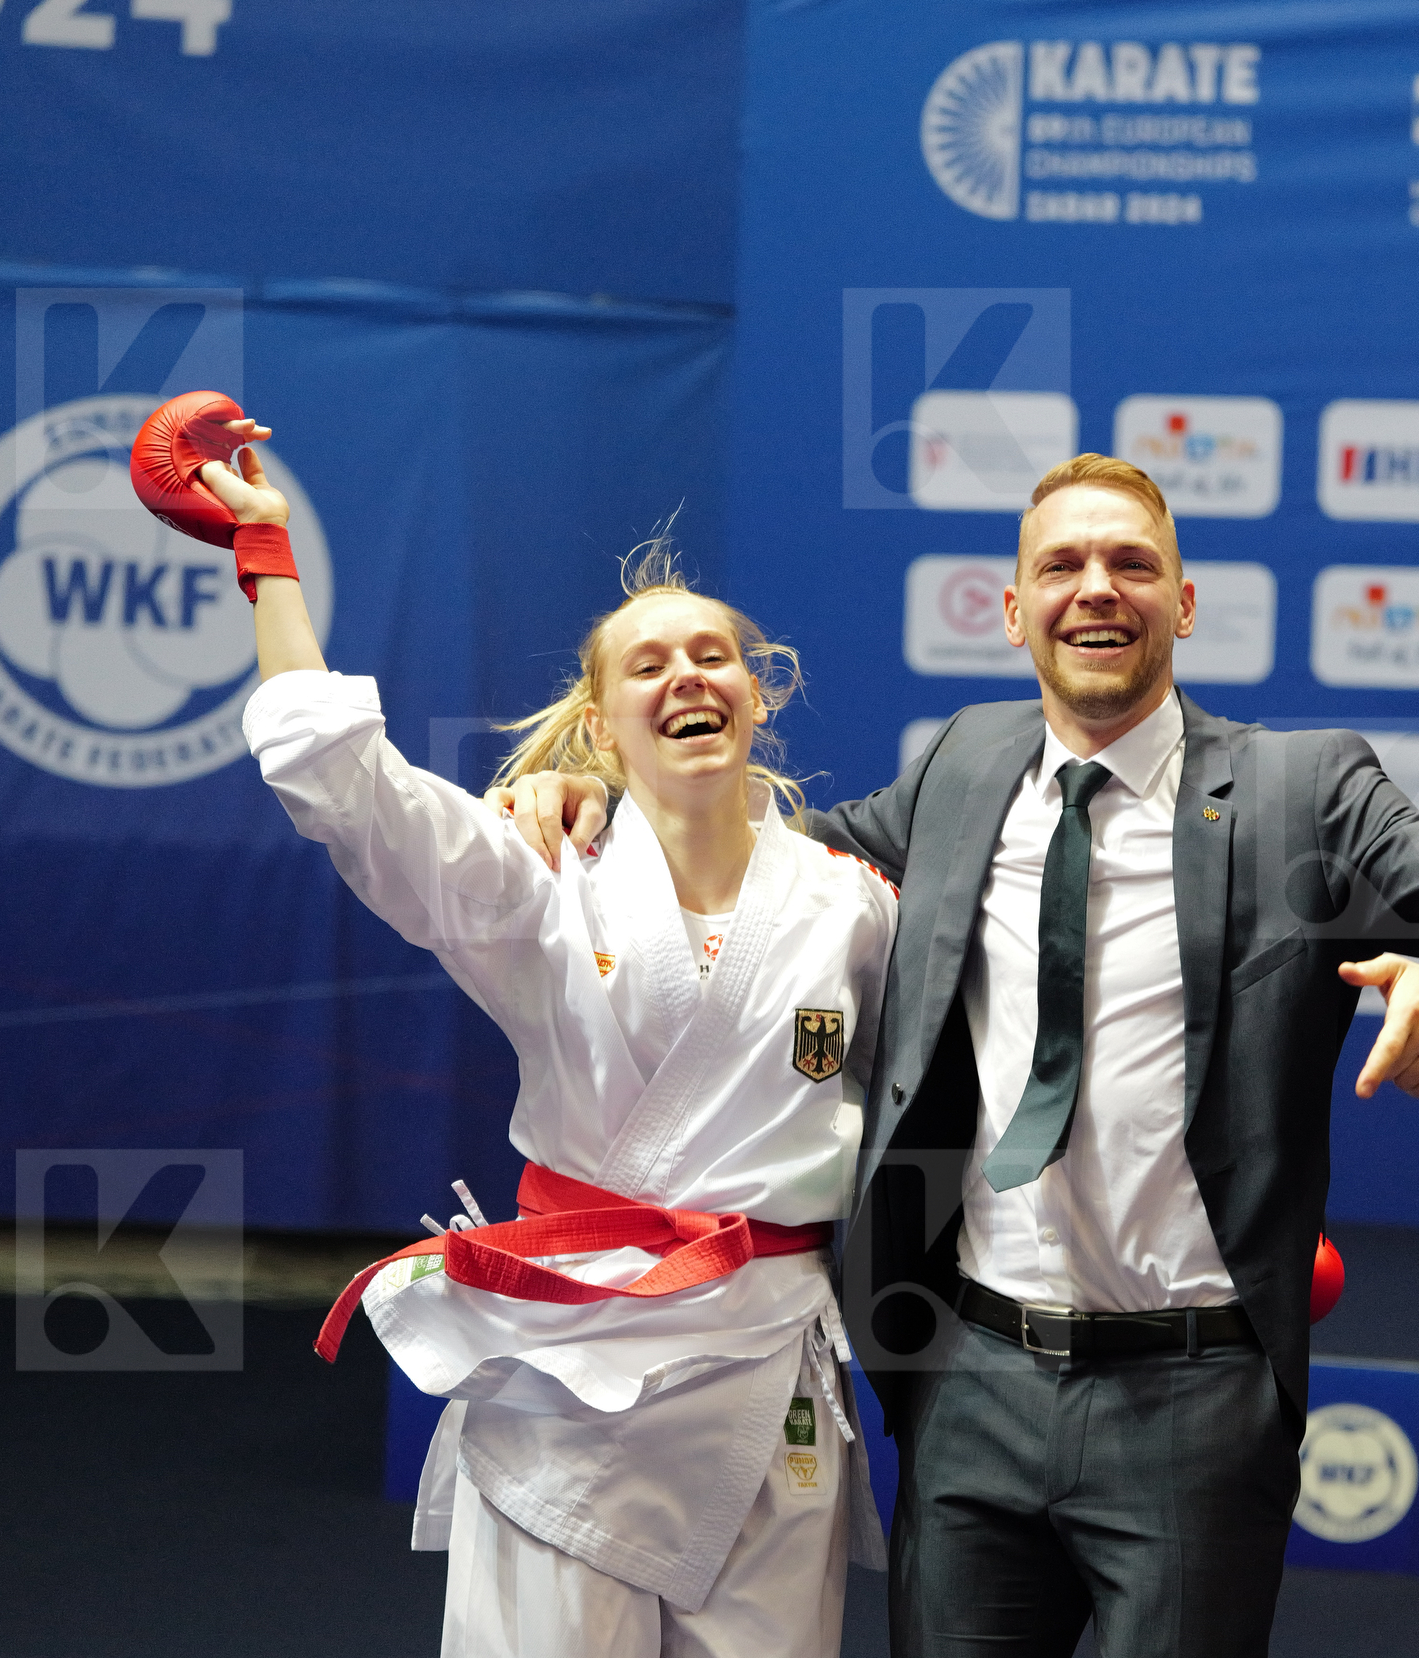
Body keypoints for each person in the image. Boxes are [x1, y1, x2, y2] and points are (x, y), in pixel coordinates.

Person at [494, 453, 1419, 1656]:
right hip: (970, 1381)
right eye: (1060, 565)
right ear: (1014, 610)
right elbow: (767, 865)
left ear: (1183, 599)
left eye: (1131, 563)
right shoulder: (965, 765)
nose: (1096, 588)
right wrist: (596, 796)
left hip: (1195, 1393)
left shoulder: (1300, 790)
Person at [181, 415, 893, 1658]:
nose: (688, 676)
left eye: (716, 654)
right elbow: (346, 786)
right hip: (576, 1374)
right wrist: (266, 556)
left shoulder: (854, 903)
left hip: (768, 1365)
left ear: (757, 692)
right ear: (602, 721)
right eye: (650, 663)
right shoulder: (537, 875)